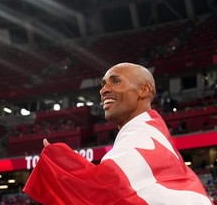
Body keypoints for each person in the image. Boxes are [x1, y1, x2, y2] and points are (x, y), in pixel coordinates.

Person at [23, 63, 213, 205]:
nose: (104, 90)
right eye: (103, 84)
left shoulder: (144, 134)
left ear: (143, 90)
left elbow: (109, 188)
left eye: (115, 81)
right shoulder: (149, 130)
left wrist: (59, 165)